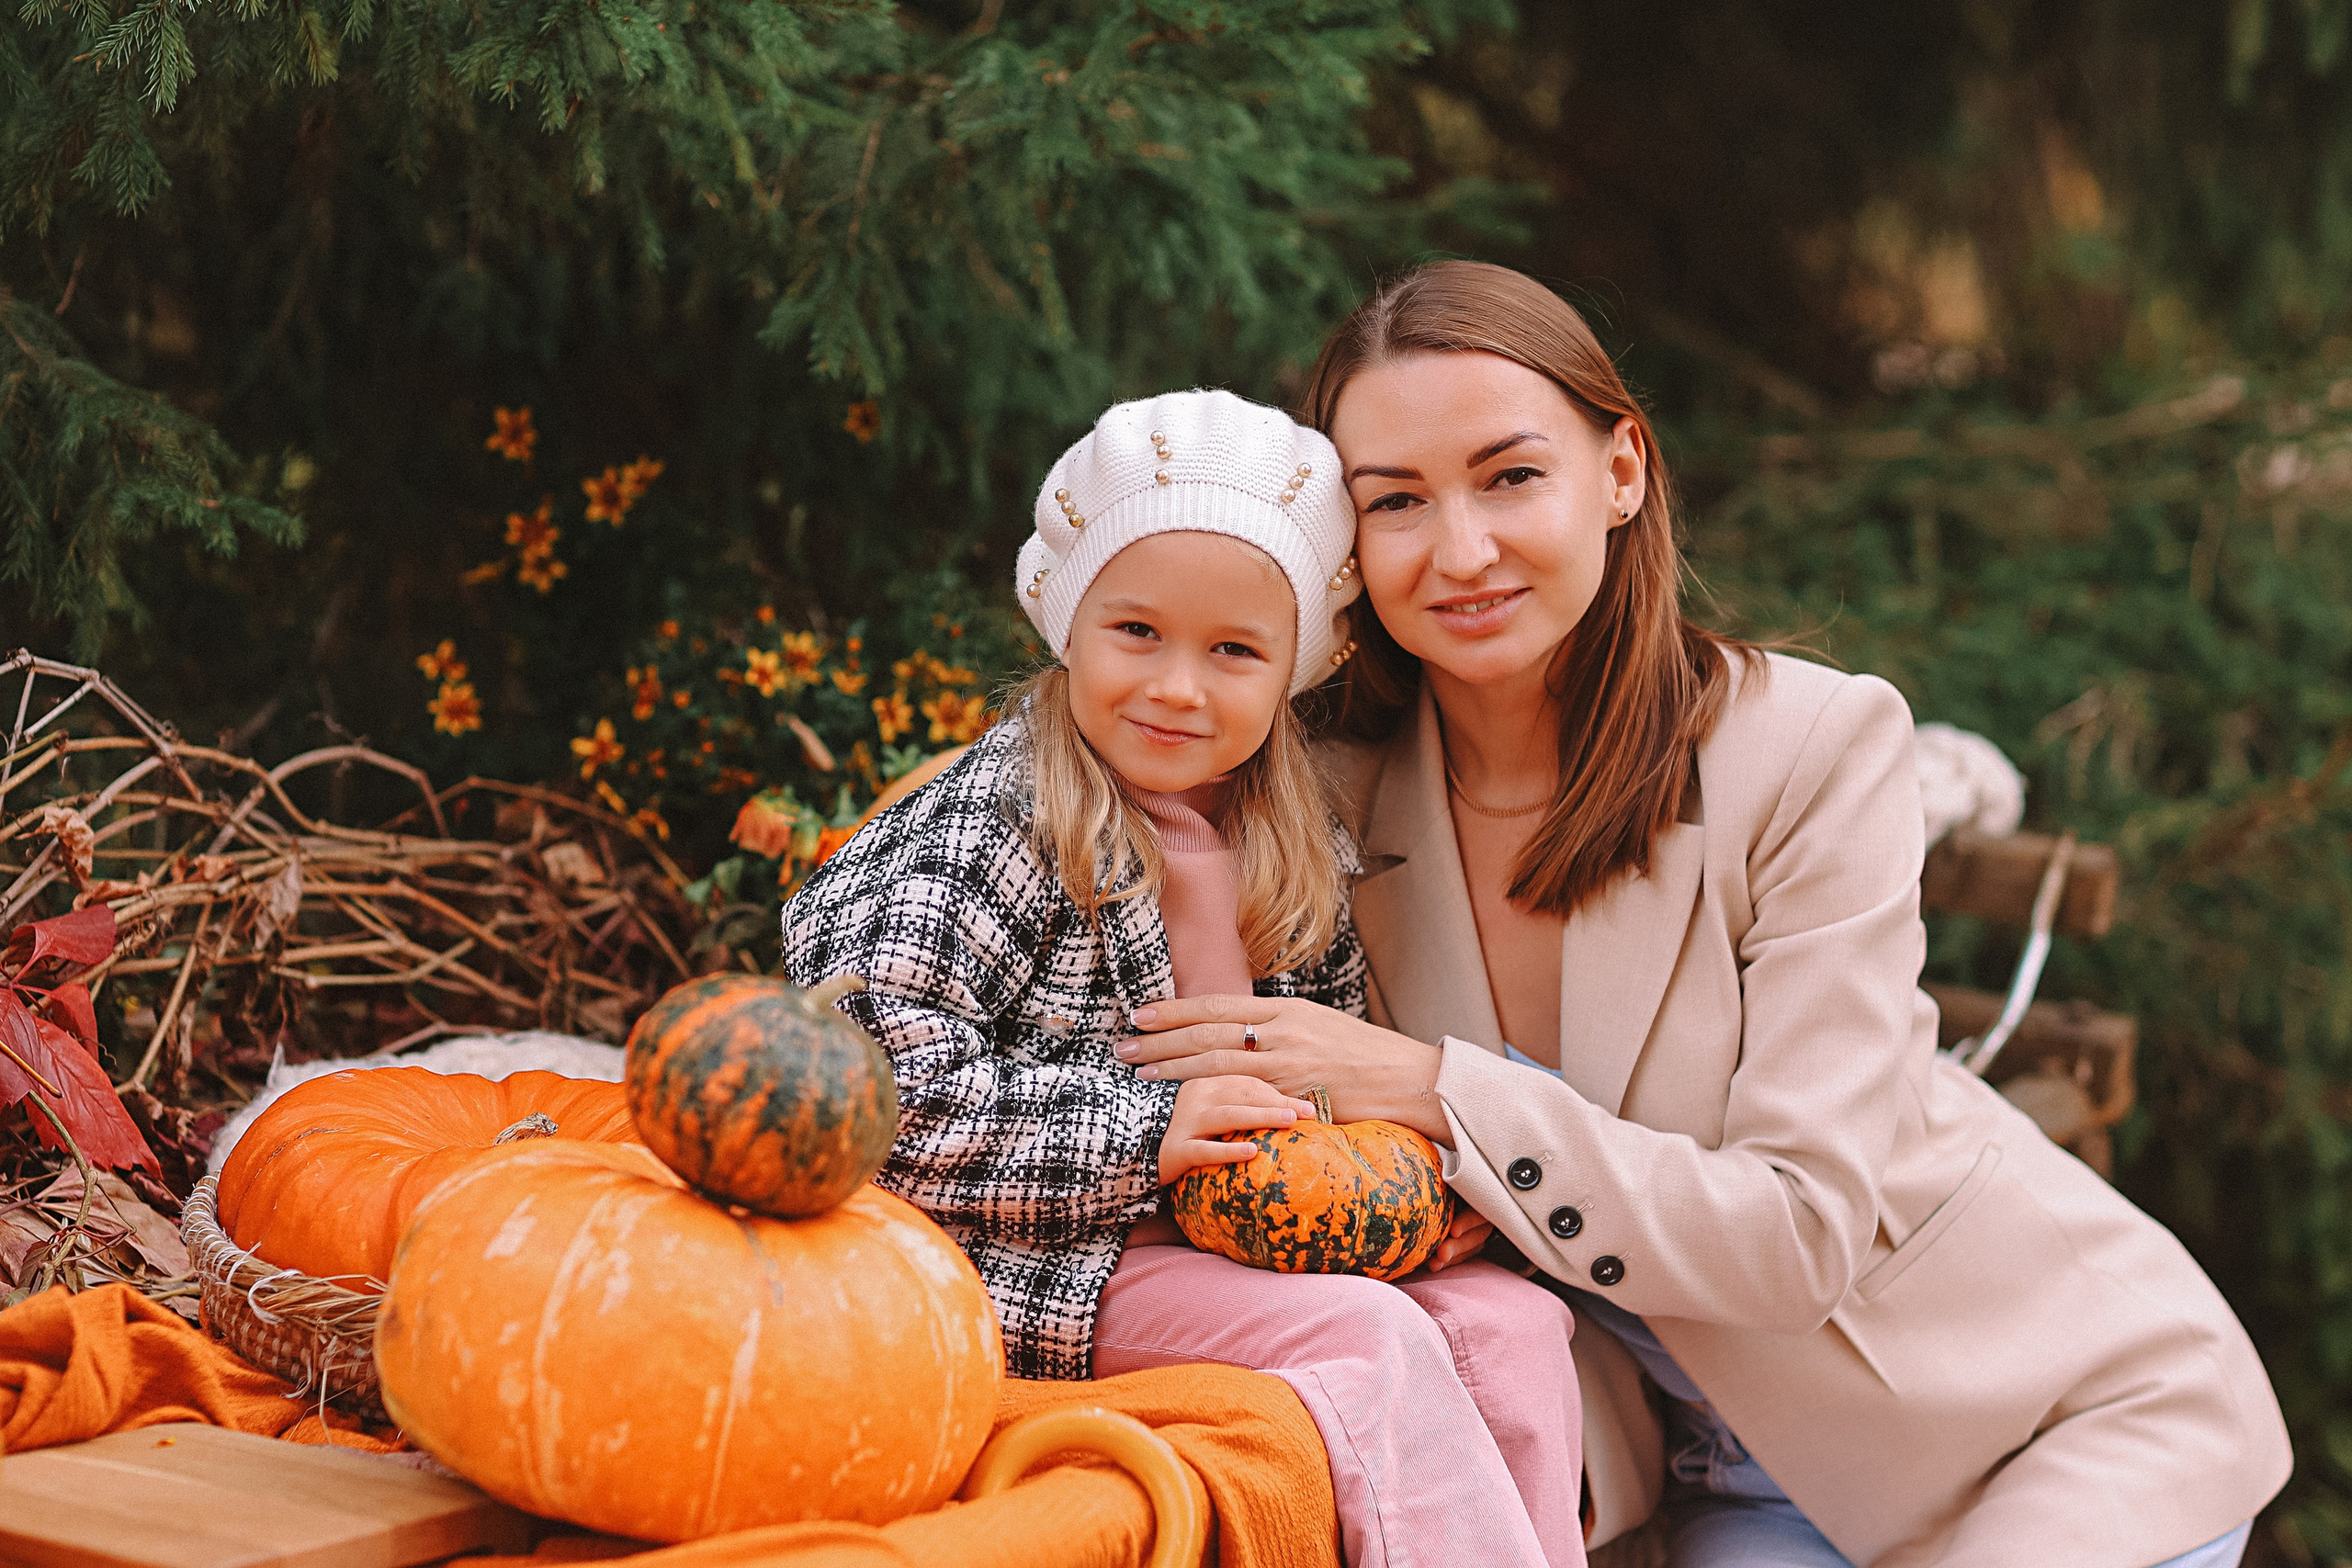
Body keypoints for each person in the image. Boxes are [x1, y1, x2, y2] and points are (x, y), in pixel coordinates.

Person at [1114, 264, 2290, 1568]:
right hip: (1716, 1471)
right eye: (1397, 501)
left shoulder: (1809, 750)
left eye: (1511, 476)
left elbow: (1798, 1235)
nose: (1460, 550)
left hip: (2039, 1416)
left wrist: (1440, 1090)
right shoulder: (1325, 800)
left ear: (1621, 470)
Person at [783, 388, 1589, 1568]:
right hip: (1040, 1256)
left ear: (1293, 673)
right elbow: (857, 1092)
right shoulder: (996, 822)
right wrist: (1146, 1130)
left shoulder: (1289, 839)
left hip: (1233, 1244)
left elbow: (1323, 1086)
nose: (1177, 687)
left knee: (1516, 1325)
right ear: (1068, 622)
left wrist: (1413, 1191)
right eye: (1137, 634)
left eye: (1233, 653)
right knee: (1367, 1340)